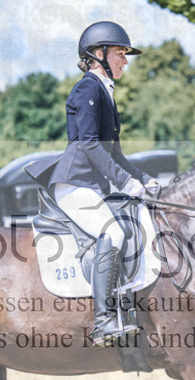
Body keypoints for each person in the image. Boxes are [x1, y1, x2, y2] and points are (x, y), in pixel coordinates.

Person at [49, 21, 161, 346]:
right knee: (113, 232)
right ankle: (102, 322)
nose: (125, 60)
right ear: (98, 55)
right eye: (120, 53)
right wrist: (126, 182)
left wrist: (144, 179)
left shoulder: (105, 91)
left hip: (90, 185)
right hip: (74, 183)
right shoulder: (88, 88)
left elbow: (116, 153)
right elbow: (90, 145)